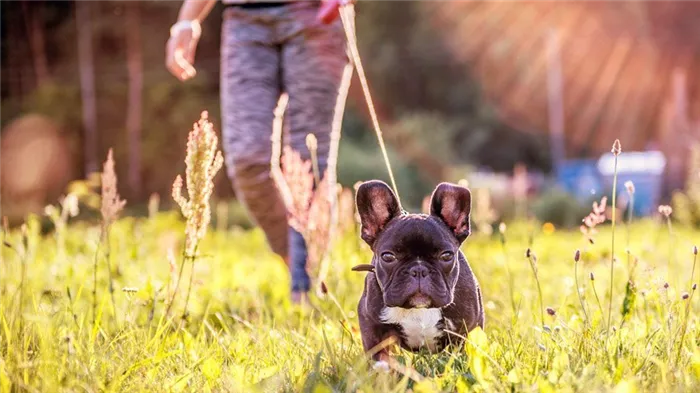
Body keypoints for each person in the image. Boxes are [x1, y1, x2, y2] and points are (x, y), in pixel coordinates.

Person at [166, 0, 349, 303]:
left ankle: (306, 290)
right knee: (246, 159)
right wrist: (187, 21)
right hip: (245, 23)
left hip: (314, 15)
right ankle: (298, 263)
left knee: (310, 160)